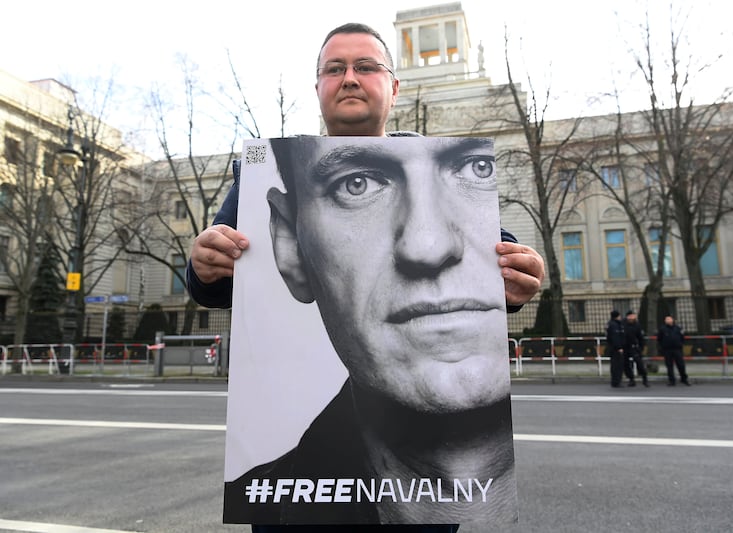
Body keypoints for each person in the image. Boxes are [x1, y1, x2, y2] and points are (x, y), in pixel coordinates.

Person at [187, 22, 546, 533]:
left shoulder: (440, 159)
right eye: (335, 69)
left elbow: (502, 260)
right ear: (318, 89)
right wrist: (206, 265)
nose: (350, 78)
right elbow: (220, 276)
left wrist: (519, 277)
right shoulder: (261, 169)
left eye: (366, 66)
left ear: (393, 87)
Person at [658, 315, 690, 386]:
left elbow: (682, 337)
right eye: (666, 319)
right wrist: (662, 346)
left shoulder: (678, 328)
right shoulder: (662, 329)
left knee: (681, 365)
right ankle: (672, 380)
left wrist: (681, 344)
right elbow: (659, 339)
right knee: (669, 366)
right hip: (667, 350)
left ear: (672, 320)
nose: (667, 320)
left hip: (677, 349)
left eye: (669, 319)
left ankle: (684, 379)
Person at [623, 310, 649, 387]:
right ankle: (631, 379)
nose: (632, 318)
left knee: (639, 363)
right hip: (625, 347)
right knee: (626, 364)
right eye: (630, 316)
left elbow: (641, 337)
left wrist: (641, 347)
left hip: (634, 347)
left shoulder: (637, 325)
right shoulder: (623, 324)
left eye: (633, 316)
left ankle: (645, 379)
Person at [606, 310, 626, 388]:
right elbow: (615, 337)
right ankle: (616, 381)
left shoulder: (610, 324)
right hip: (616, 348)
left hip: (612, 347)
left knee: (615, 365)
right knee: (617, 365)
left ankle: (615, 381)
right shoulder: (614, 325)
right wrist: (619, 347)